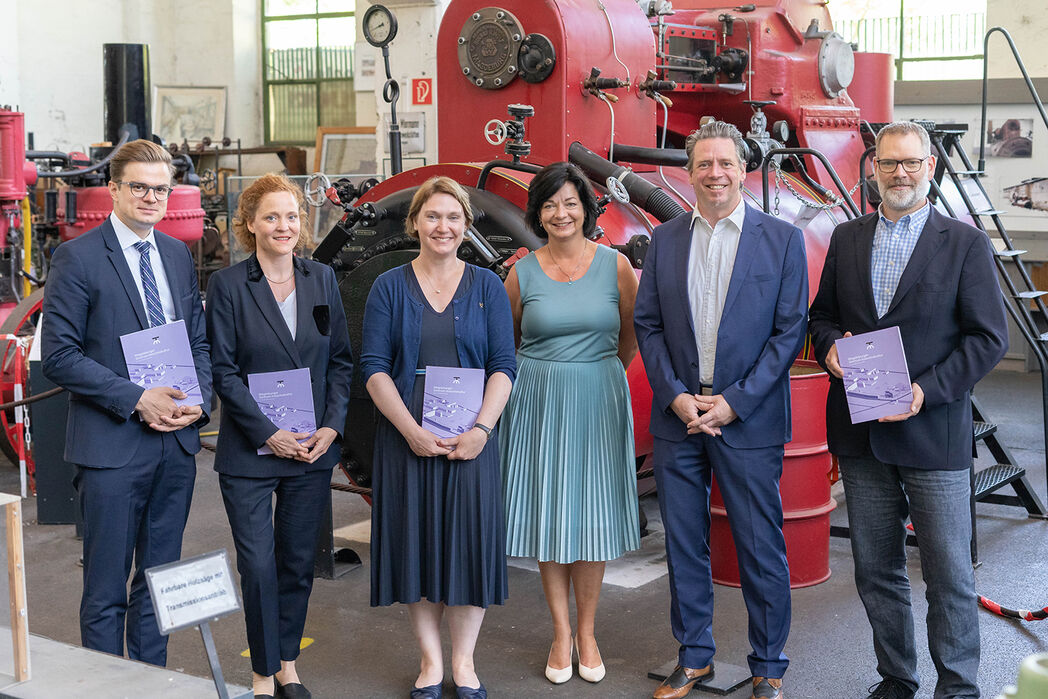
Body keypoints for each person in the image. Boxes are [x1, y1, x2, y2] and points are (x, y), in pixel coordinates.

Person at [809, 120, 1008, 699]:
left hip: (932, 430)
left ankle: (958, 687)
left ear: (930, 168)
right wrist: (830, 349)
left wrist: (925, 390)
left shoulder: (964, 243)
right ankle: (896, 678)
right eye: (889, 163)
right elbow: (821, 316)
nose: (900, 173)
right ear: (873, 169)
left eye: (911, 163)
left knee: (948, 574)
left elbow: (987, 338)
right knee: (877, 570)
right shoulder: (847, 238)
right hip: (863, 433)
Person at [634, 120, 808, 699]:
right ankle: (694, 658)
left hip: (747, 419)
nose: (715, 174)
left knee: (760, 547)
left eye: (725, 163)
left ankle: (769, 666)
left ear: (743, 169)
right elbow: (648, 326)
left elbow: (789, 334)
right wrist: (675, 395)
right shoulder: (665, 240)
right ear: (688, 173)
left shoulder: (781, 240)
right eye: (704, 164)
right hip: (679, 419)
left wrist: (735, 402)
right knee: (684, 545)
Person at [40, 138, 212, 667]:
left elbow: (197, 341)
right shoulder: (77, 257)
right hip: (111, 448)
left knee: (160, 586)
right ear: (113, 189)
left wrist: (198, 402)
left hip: (175, 446)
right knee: (106, 589)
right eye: (139, 187)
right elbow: (59, 356)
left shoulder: (176, 255)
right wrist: (138, 399)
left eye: (161, 189)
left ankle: (150, 680)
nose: (151, 198)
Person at [362, 176, 515, 699]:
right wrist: (410, 431)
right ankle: (431, 661)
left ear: (466, 225)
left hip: (472, 440)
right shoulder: (388, 287)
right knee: (416, 547)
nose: (442, 226)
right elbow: (374, 368)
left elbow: (504, 367)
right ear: (415, 223)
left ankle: (464, 662)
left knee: (468, 547)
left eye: (453, 217)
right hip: (406, 438)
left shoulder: (488, 287)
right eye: (432, 216)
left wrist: (482, 430)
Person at [205, 173, 353, 699]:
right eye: (271, 217)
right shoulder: (227, 286)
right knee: (257, 564)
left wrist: (331, 426)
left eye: (291, 216)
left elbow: (340, 361)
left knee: (295, 563)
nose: (283, 226)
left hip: (310, 447)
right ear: (250, 224)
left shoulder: (321, 279)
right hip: (251, 450)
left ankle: (288, 664)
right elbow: (223, 372)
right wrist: (269, 432)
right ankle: (263, 673)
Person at [499, 162, 640, 685]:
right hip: (538, 401)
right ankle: (561, 633)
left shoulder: (616, 266)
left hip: (599, 396)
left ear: (586, 208)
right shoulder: (522, 272)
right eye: (550, 204)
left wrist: (597, 373)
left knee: (591, 517)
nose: (561, 213)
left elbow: (630, 335)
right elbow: (508, 344)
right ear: (538, 213)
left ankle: (588, 631)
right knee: (550, 516)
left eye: (570, 203)